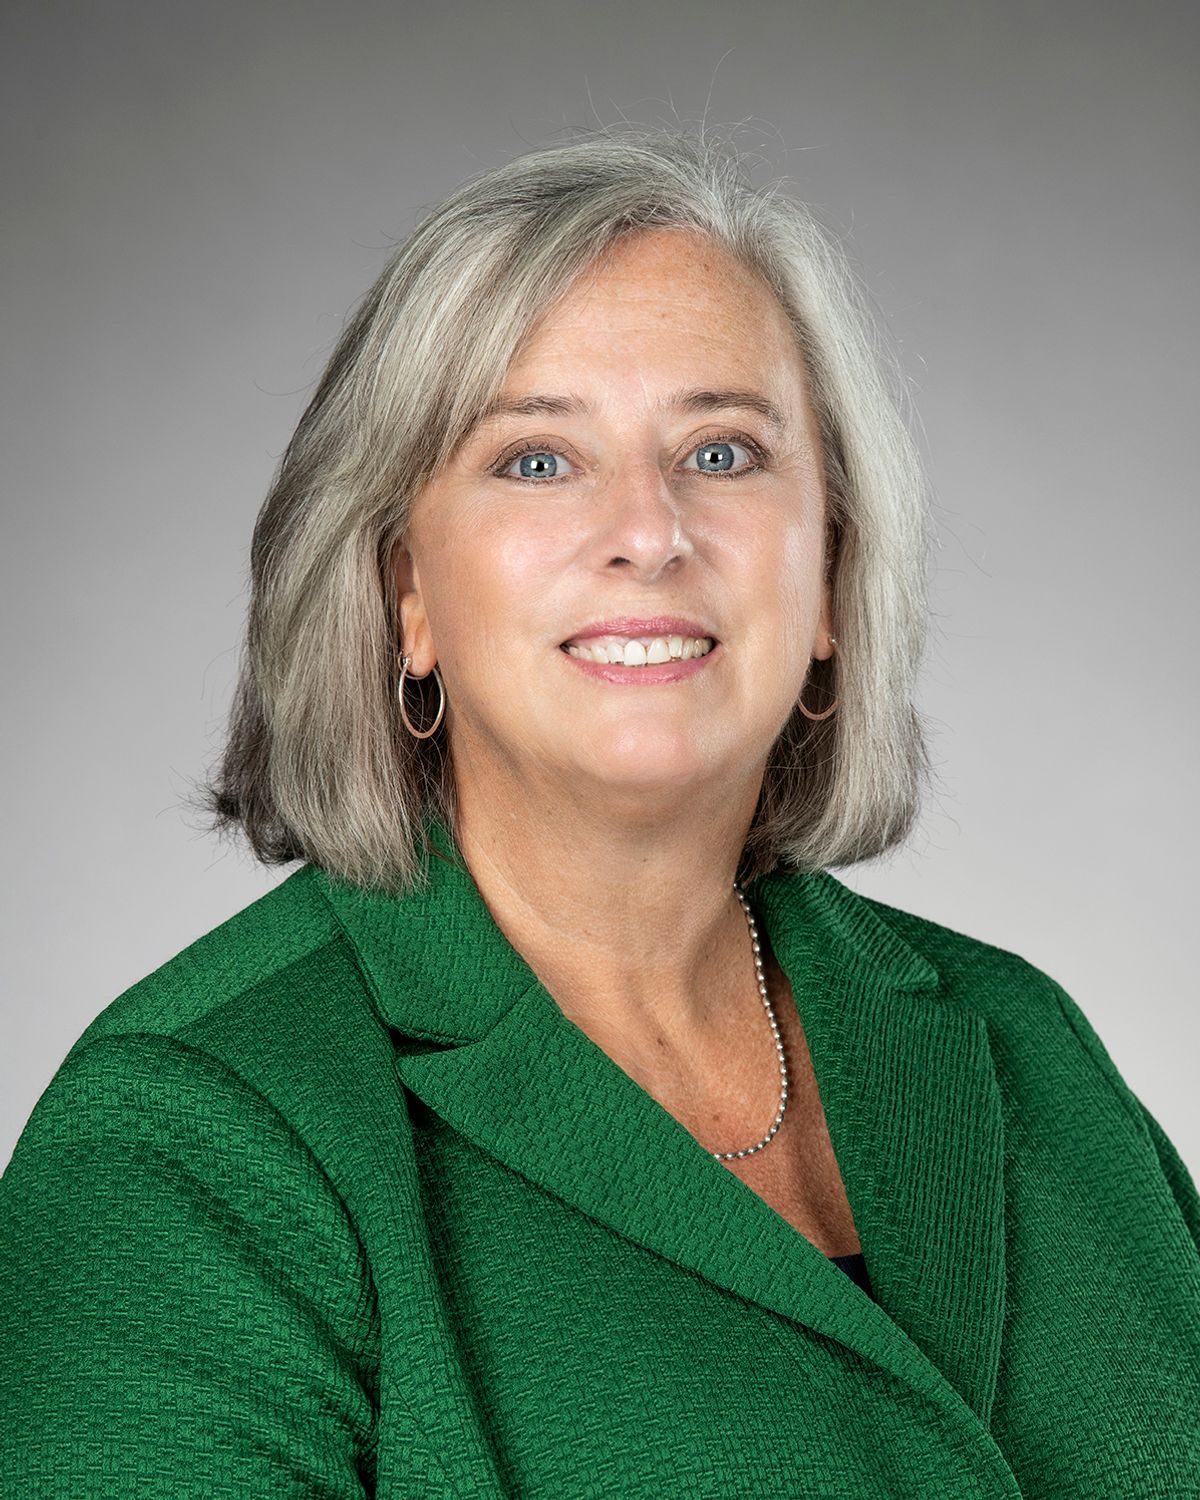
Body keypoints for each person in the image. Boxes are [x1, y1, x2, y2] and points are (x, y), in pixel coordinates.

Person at [2, 124, 1197, 1498]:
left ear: (828, 582)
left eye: (726, 450)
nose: (649, 528)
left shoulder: (1025, 1048)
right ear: (406, 593)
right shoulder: (189, 1142)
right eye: (537, 461)